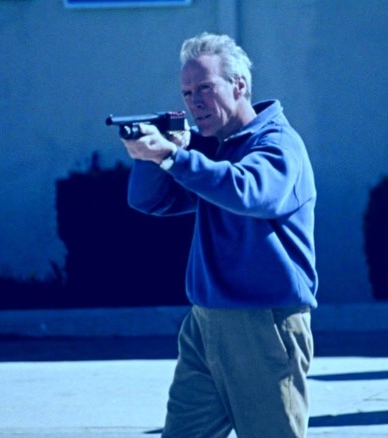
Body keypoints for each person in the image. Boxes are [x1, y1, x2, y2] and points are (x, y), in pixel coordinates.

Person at [121, 32, 318, 437]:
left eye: (205, 88)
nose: (194, 102)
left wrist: (174, 156)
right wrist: (150, 155)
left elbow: (250, 191)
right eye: (188, 92)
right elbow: (149, 202)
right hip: (206, 320)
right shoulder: (216, 150)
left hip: (263, 324)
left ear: (239, 85)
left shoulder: (277, 144)